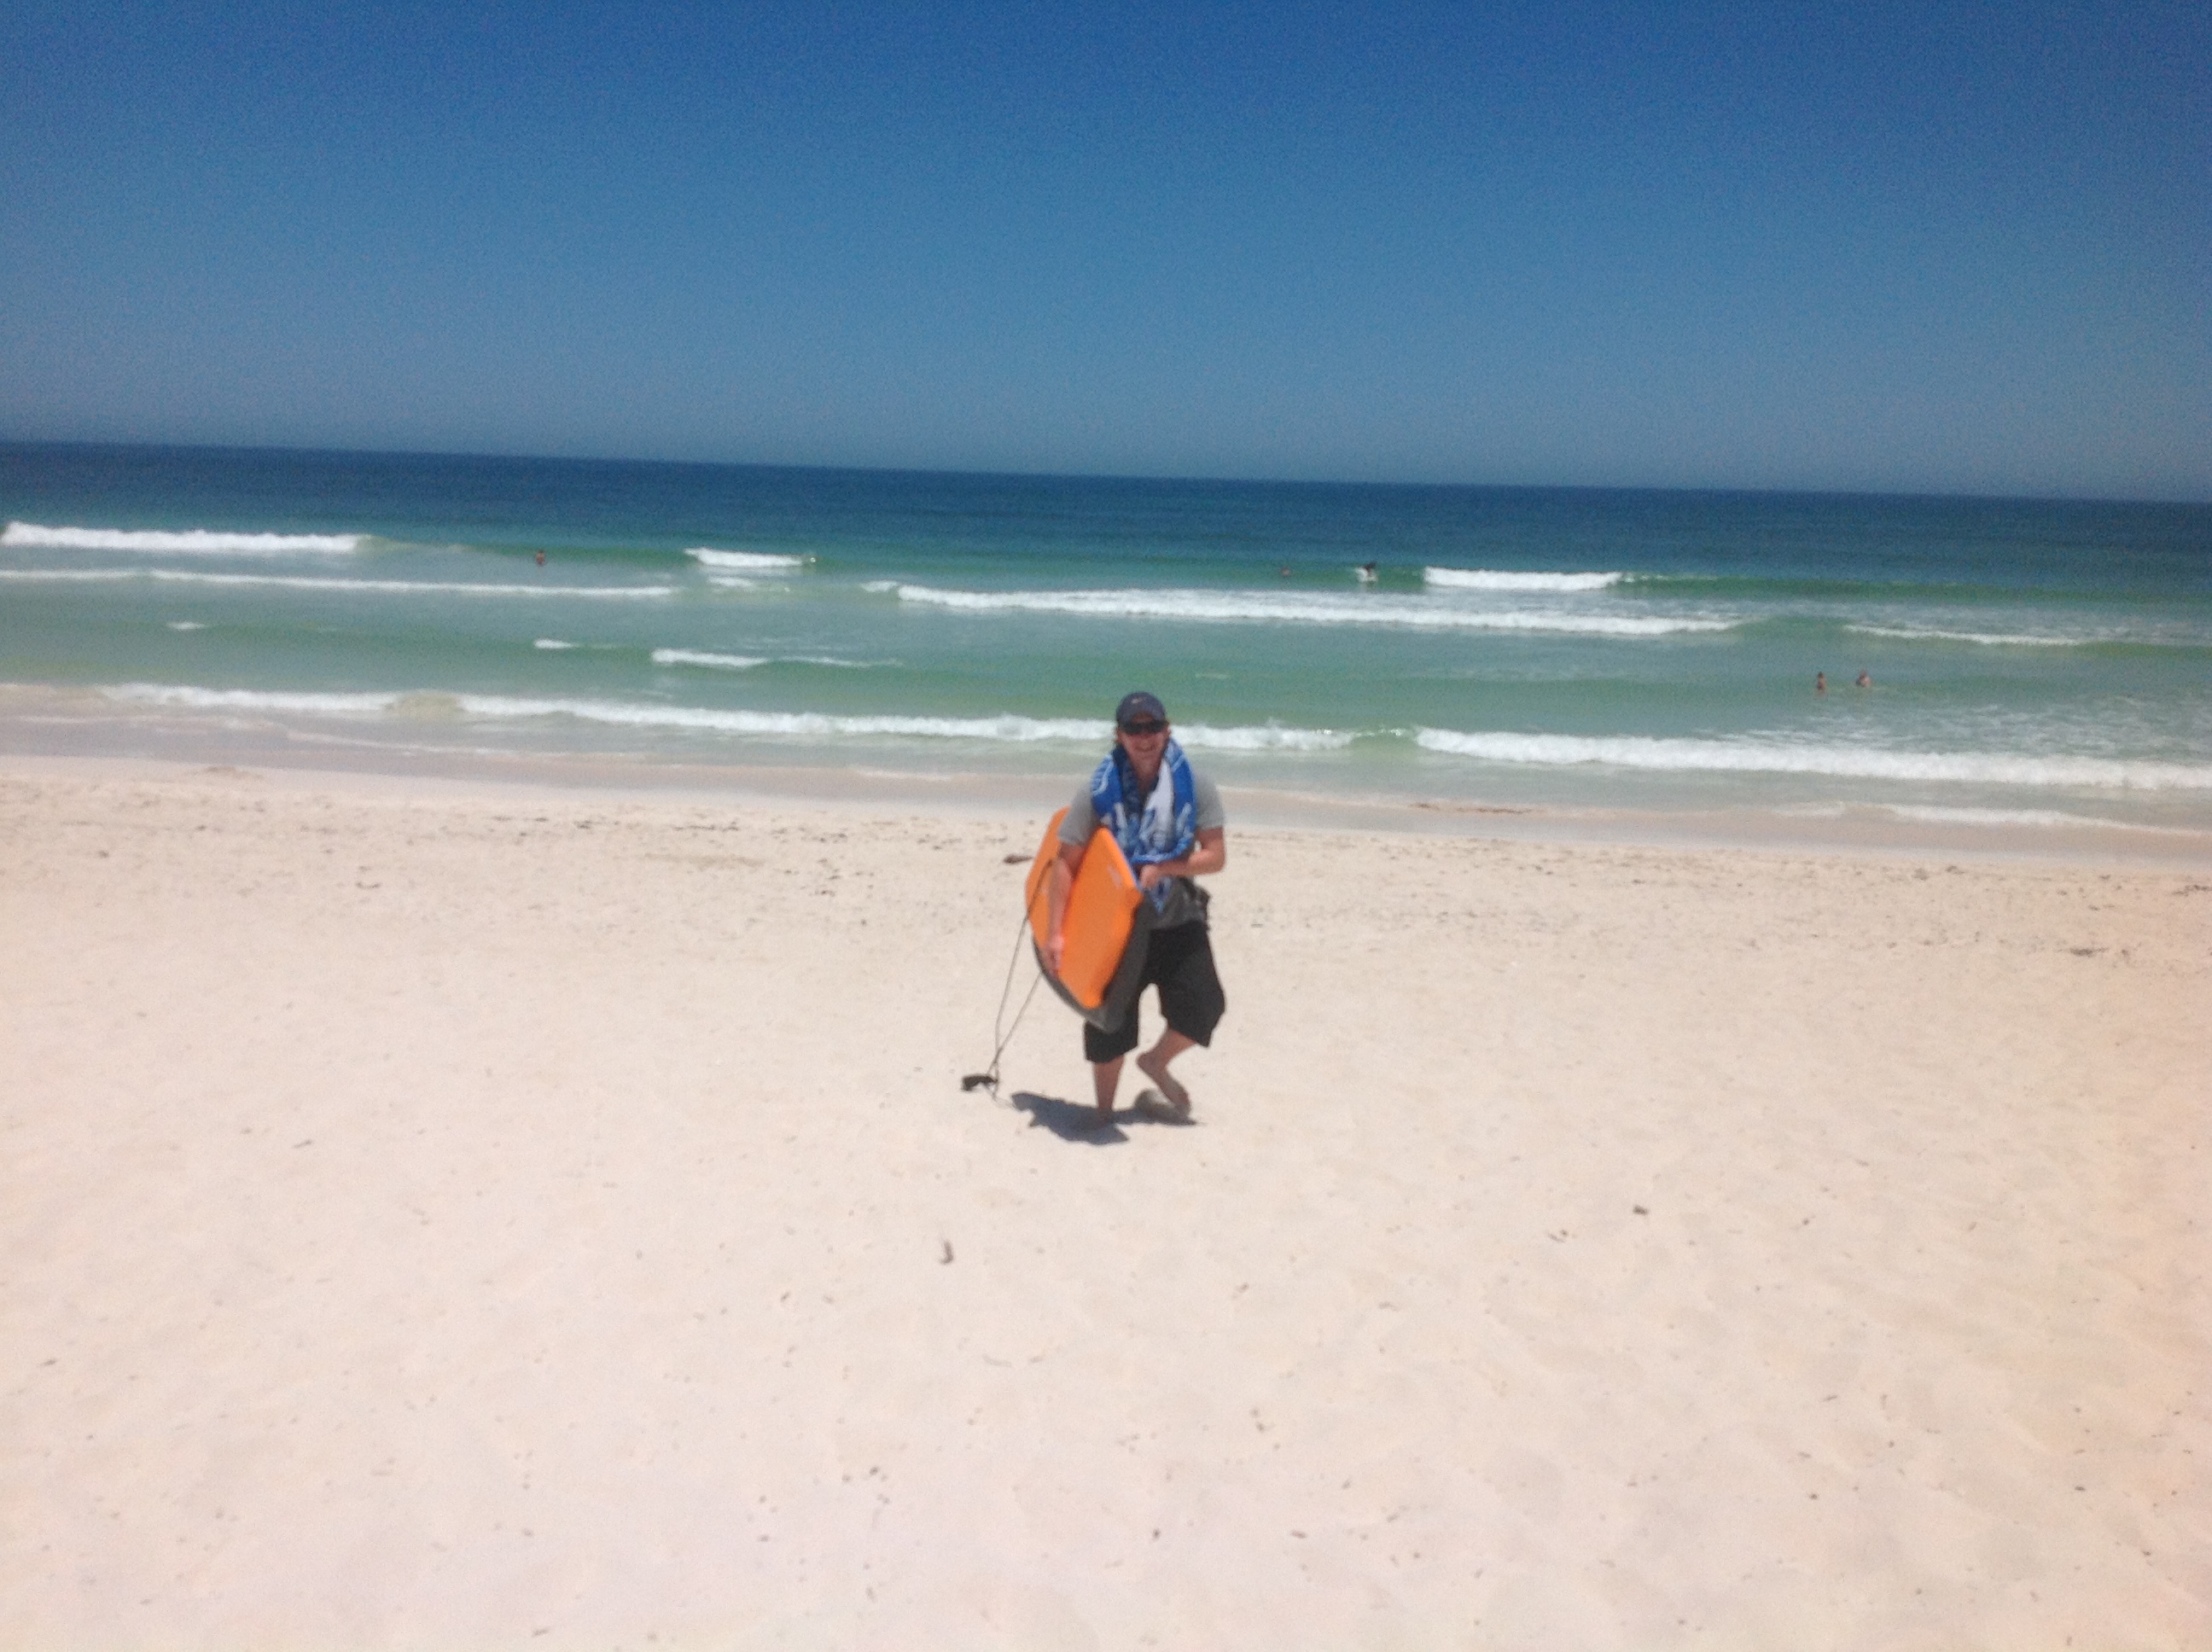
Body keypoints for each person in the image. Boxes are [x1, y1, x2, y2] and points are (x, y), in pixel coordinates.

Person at [1045, 691, 1227, 1126]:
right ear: (1119, 735)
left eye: (1152, 728)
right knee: (1109, 1020)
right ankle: (1104, 1113)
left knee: (1204, 1005)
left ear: (1167, 730)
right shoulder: (1097, 790)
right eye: (1134, 728)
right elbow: (1064, 866)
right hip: (1117, 924)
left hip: (1177, 917)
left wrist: (1166, 867)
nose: (1144, 737)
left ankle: (1155, 1064)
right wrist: (1056, 932)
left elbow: (1216, 856)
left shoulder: (1195, 784)